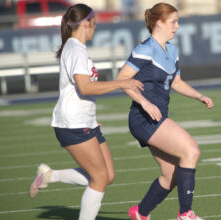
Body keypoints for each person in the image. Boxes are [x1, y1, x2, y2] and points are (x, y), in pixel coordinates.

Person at [28, 4, 143, 220]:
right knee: (99, 178)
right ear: (86, 24)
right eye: (95, 24)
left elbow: (82, 92)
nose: (95, 28)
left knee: (107, 176)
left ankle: (49, 175)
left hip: (85, 121)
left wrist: (92, 118)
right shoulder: (75, 49)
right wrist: (122, 84)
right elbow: (86, 87)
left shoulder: (77, 49)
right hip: (72, 123)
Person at [117, 3, 213, 220]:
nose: (177, 27)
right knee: (191, 151)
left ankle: (140, 213)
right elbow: (122, 80)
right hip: (144, 118)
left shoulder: (172, 50)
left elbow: (177, 83)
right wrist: (144, 102)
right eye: (173, 22)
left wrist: (199, 96)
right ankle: (185, 214)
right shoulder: (145, 50)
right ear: (158, 23)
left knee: (171, 175)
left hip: (157, 116)